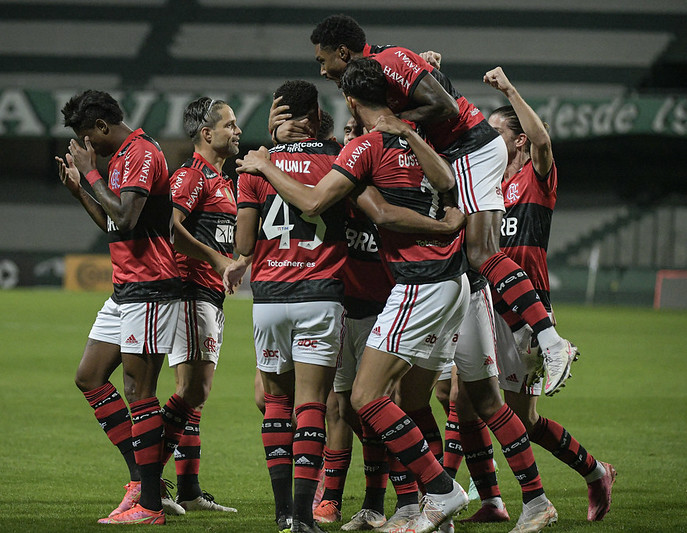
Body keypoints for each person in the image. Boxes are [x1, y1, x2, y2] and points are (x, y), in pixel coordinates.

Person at [237, 58, 471, 533]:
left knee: (358, 400)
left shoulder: (358, 150)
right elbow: (445, 184)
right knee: (405, 402)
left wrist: (265, 158)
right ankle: (418, 505)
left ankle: (436, 492)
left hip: (399, 288)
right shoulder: (411, 139)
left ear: (351, 101)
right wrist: (447, 224)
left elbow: (321, 206)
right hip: (444, 282)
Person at [309, 13, 578, 397]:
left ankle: (551, 342)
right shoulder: (386, 65)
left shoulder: (389, 62)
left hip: (470, 150)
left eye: (323, 60)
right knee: (475, 260)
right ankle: (527, 333)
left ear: (343, 51)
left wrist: (395, 121)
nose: (322, 70)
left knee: (482, 251)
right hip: (464, 153)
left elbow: (446, 108)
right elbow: (432, 93)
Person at [455, 66, 617, 525]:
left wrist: (508, 89)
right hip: (487, 302)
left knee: (520, 419)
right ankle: (490, 500)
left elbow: (544, 143)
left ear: (519, 140)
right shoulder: (488, 186)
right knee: (463, 402)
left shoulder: (536, 179)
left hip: (528, 308)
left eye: (497, 130)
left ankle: (593, 470)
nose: (487, 136)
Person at [55, 89, 181, 525]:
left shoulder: (141, 152)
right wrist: (80, 192)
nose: (87, 146)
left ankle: (149, 506)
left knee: (138, 392)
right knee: (89, 377)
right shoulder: (121, 157)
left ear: (103, 127)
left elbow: (126, 217)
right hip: (125, 289)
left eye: (88, 136)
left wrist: (90, 175)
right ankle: (142, 480)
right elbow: (113, 222)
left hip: (151, 287)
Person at [234, 79, 349, 533]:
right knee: (311, 405)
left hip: (268, 299)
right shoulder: (338, 160)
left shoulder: (254, 167)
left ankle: (282, 512)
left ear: (279, 115)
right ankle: (305, 516)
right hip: (320, 294)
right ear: (316, 114)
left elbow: (243, 243)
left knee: (276, 402)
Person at [160, 96, 240, 513]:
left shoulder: (224, 181)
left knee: (194, 396)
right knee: (193, 389)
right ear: (207, 133)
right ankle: (148, 480)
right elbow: (169, 228)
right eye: (230, 124)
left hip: (211, 294)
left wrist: (236, 261)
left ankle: (188, 491)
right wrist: (215, 258)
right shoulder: (192, 175)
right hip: (189, 290)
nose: (237, 131)